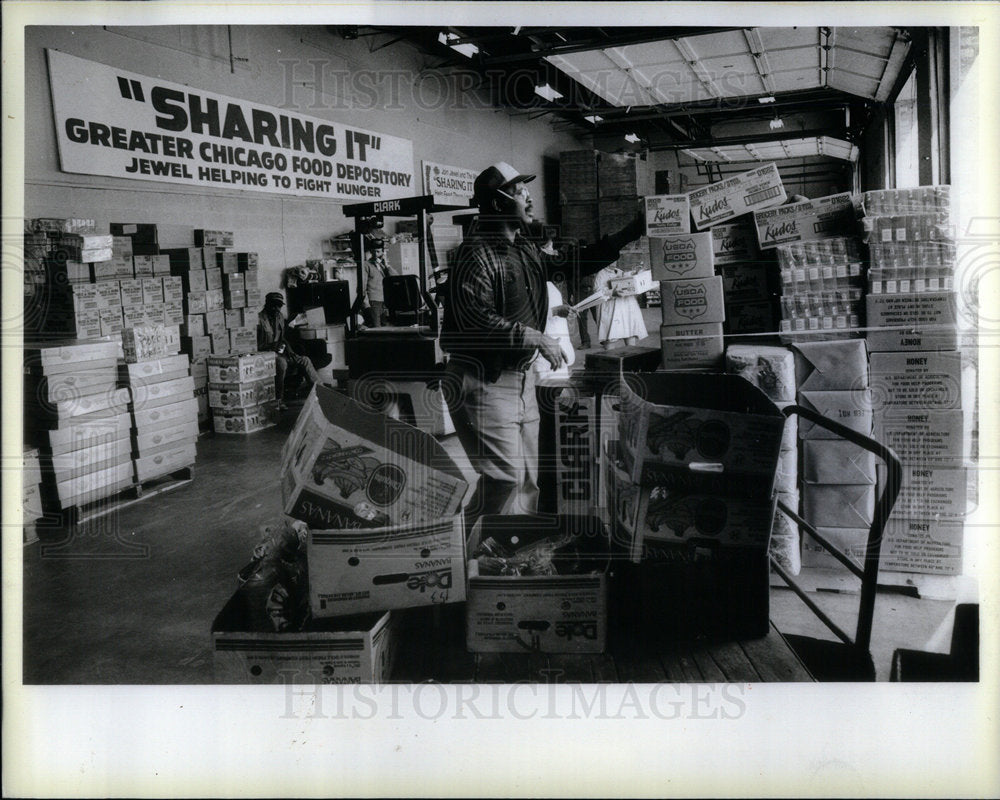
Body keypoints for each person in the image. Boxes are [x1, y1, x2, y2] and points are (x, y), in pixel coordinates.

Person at [440, 160, 643, 521]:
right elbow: (473, 318)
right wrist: (535, 337)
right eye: (520, 191)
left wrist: (632, 230)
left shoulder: (523, 248)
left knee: (529, 480)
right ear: (499, 203)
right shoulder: (476, 253)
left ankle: (508, 557)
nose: (530, 198)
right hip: (484, 380)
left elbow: (575, 261)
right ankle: (464, 557)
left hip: (519, 378)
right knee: (505, 479)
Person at [256, 291, 323, 409]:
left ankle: (321, 392)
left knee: (304, 360)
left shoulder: (280, 317)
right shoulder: (259, 320)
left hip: (280, 352)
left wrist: (290, 350)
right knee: (281, 363)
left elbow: (283, 338)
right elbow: (254, 346)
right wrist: (271, 346)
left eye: (279, 305)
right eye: (274, 305)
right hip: (265, 355)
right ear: (267, 304)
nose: (277, 308)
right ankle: (278, 400)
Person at [593, 262, 648, 349]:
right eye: (612, 260)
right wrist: (612, 292)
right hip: (612, 309)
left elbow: (627, 276)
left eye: (615, 260)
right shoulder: (601, 274)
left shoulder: (619, 271)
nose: (614, 262)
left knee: (630, 333)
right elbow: (598, 293)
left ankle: (631, 356)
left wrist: (636, 273)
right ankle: (610, 358)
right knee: (610, 336)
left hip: (626, 308)